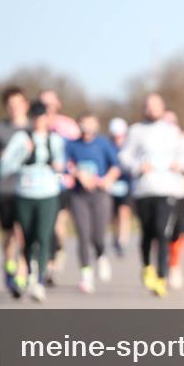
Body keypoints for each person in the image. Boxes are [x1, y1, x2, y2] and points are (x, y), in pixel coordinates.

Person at [118, 93, 184, 298]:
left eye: (156, 105)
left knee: (162, 232)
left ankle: (162, 277)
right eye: (148, 106)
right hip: (143, 189)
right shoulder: (136, 130)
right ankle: (147, 266)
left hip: (166, 188)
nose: (152, 109)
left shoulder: (172, 131)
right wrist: (138, 166)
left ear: (162, 107)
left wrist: (179, 164)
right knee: (147, 232)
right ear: (144, 109)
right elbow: (124, 156)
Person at [0, 101, 65, 303]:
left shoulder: (55, 139)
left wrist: (58, 170)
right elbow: (4, 167)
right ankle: (28, 271)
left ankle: (39, 282)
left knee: (44, 237)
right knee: (27, 239)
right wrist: (23, 153)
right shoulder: (21, 138)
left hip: (48, 194)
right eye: (35, 117)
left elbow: (61, 169)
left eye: (42, 116)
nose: (38, 121)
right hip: (25, 194)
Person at [65, 113, 121, 293]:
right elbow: (66, 165)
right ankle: (86, 275)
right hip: (79, 195)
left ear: (96, 125)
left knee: (97, 235)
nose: (87, 127)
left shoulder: (103, 143)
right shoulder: (72, 145)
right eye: (83, 123)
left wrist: (107, 179)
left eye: (90, 124)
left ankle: (101, 255)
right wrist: (78, 174)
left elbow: (116, 166)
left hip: (100, 194)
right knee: (83, 234)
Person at [0, 85, 29, 297]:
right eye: (10, 105)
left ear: (25, 105)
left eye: (18, 104)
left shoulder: (32, 128)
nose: (15, 109)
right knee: (9, 233)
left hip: (28, 189)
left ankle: (21, 272)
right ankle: (9, 263)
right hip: (5, 189)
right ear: (6, 107)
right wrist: (0, 156)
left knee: (24, 233)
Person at [39, 89, 79, 282]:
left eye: (50, 103)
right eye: (43, 103)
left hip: (62, 183)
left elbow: (78, 153)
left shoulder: (68, 126)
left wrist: (71, 170)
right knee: (43, 226)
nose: (47, 107)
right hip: (39, 184)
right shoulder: (36, 124)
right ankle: (48, 263)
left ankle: (58, 251)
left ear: (58, 104)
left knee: (57, 226)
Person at [160, 110, 184, 290]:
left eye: (172, 122)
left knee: (177, 229)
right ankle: (161, 262)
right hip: (159, 191)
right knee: (160, 230)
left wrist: (180, 167)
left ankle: (174, 265)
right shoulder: (154, 142)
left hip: (181, 191)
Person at [107, 117, 133, 256]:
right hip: (111, 187)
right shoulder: (108, 147)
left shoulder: (129, 146)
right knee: (113, 216)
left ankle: (122, 241)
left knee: (124, 212)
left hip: (126, 186)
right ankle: (115, 235)